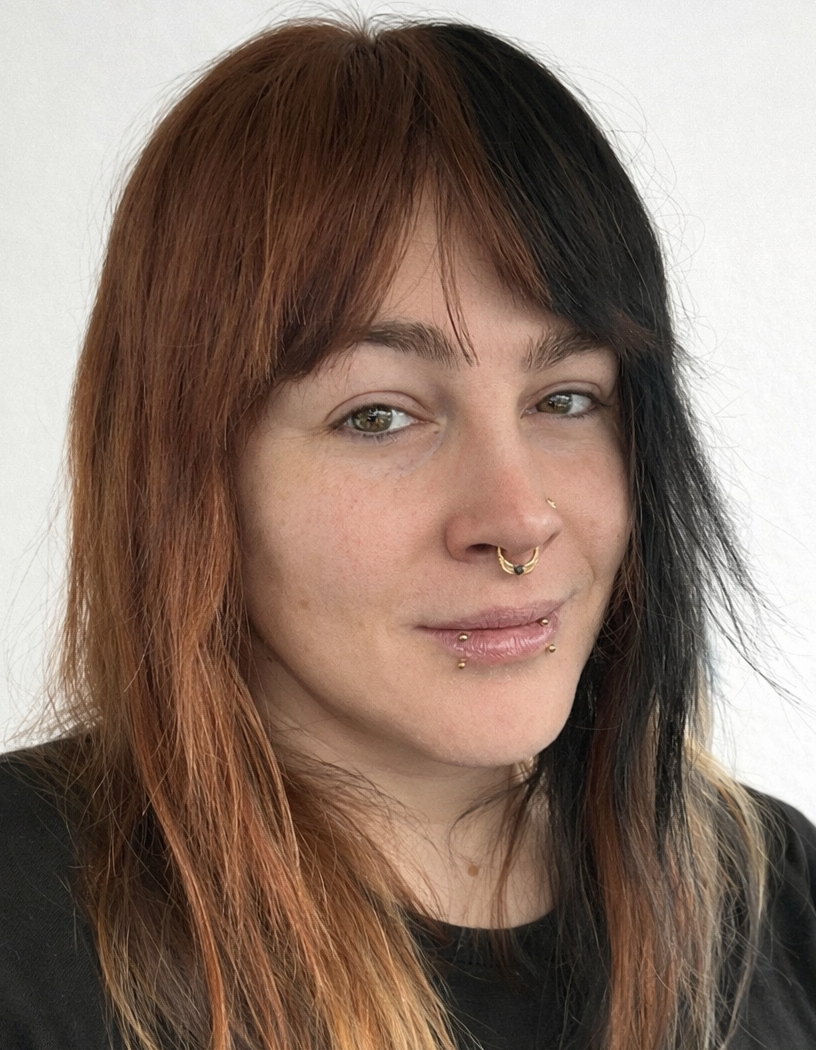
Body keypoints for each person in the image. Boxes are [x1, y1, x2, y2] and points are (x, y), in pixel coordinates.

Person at [1, 17, 814, 1050]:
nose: (517, 520)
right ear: (186, 474)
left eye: (565, 399)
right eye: (379, 415)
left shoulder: (778, 899)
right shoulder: (25, 923)